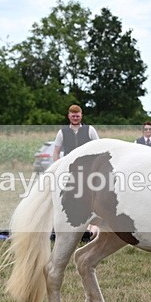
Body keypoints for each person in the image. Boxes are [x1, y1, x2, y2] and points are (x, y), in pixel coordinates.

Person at [52, 104, 99, 242]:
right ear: (69, 116)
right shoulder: (62, 132)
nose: (75, 117)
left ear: (81, 116)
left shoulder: (90, 130)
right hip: (68, 171)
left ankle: (88, 230)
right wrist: (58, 166)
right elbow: (56, 152)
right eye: (73, 115)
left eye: (77, 115)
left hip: (87, 171)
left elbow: (99, 147)